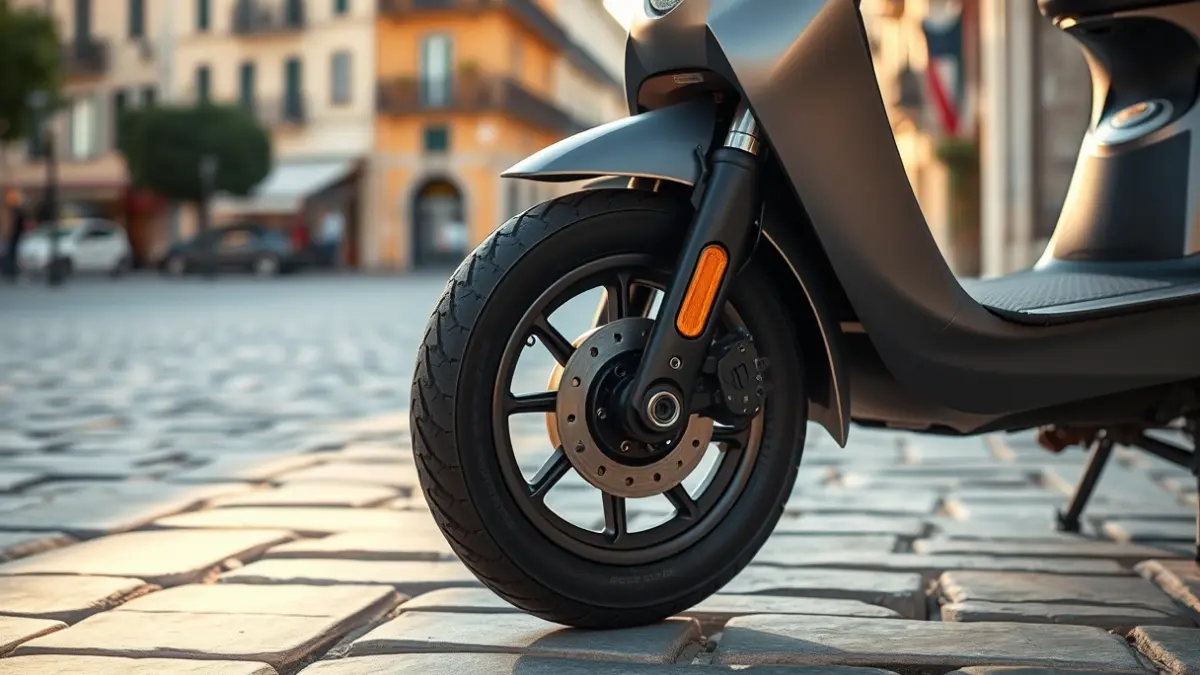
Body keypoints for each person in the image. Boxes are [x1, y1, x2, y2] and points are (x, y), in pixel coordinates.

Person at [4, 190, 28, 282]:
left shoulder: (18, 214)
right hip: (14, 236)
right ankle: (12, 272)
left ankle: (12, 272)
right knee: (13, 254)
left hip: (16, 236)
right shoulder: (17, 214)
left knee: (14, 254)